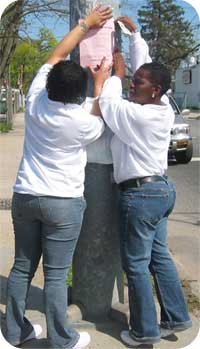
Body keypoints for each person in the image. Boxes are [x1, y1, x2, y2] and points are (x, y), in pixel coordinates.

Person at [4, 5, 112, 349]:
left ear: (50, 83)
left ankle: (16, 331)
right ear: (78, 93)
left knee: (22, 267)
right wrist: (99, 85)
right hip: (62, 203)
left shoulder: (36, 99)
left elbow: (57, 53)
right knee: (54, 274)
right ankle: (62, 339)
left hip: (25, 197)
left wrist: (85, 24)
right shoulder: (81, 121)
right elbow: (98, 114)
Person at [90, 16, 192, 347]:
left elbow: (106, 103)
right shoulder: (159, 106)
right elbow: (146, 66)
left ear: (156, 91)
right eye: (134, 80)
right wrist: (135, 36)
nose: (134, 83)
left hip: (141, 195)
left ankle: (144, 331)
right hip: (159, 191)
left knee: (135, 265)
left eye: (140, 83)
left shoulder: (138, 114)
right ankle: (176, 316)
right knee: (158, 256)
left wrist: (114, 77)